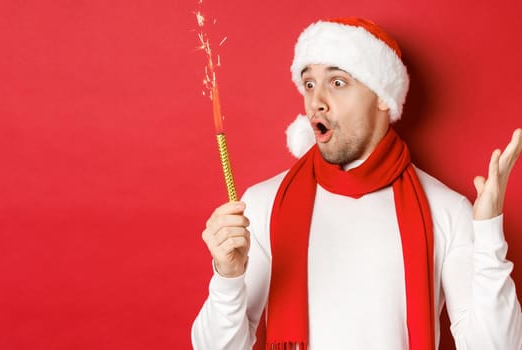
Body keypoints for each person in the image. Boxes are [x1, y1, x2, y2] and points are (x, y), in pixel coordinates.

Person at [191, 17, 522, 350]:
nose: (316, 100)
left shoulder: (446, 209)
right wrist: (228, 275)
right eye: (309, 84)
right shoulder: (262, 205)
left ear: (382, 96)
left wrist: (488, 233)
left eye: (337, 83)